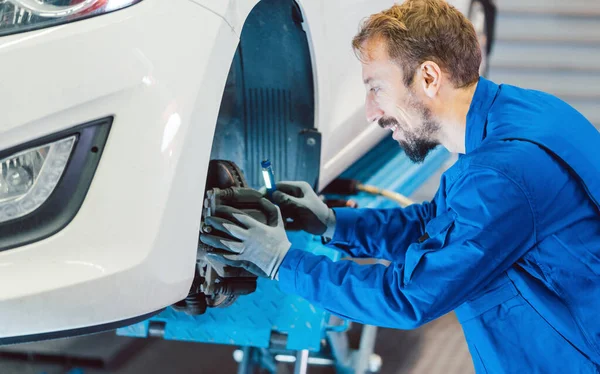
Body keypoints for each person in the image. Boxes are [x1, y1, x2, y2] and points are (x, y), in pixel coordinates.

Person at [200, 0, 600, 371]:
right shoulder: (517, 113)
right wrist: (333, 224)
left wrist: (282, 262)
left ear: (428, 77)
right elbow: (445, 223)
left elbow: (408, 296)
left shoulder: (503, 173)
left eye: (376, 87)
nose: (372, 112)